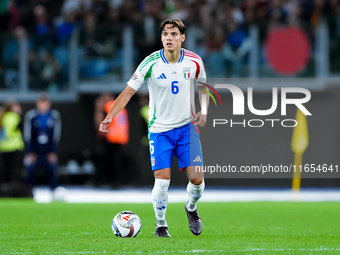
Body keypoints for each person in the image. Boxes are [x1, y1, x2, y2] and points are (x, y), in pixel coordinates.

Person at [99, 18, 209, 237]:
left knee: (197, 180)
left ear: (182, 38)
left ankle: (191, 208)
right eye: (165, 34)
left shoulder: (194, 61)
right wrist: (110, 115)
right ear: (161, 37)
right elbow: (128, 92)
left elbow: (203, 87)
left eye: (174, 34)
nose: (169, 38)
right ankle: (161, 224)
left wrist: (203, 110)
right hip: (159, 130)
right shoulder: (150, 63)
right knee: (162, 179)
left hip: (187, 128)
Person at [23, 93, 61, 190]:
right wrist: (30, 152)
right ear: (37, 104)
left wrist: (53, 152)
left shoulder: (54, 116)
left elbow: (56, 136)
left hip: (48, 150)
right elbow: (27, 135)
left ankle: (54, 190)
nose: (43, 106)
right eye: (41, 103)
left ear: (49, 104)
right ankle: (28, 190)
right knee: (29, 168)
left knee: (53, 167)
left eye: (45, 103)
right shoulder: (31, 116)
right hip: (35, 150)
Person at [94, 92, 129, 187]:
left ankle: (102, 181)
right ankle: (117, 182)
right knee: (116, 161)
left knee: (106, 160)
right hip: (121, 137)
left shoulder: (108, 106)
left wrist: (98, 108)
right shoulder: (121, 107)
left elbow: (99, 123)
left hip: (110, 137)